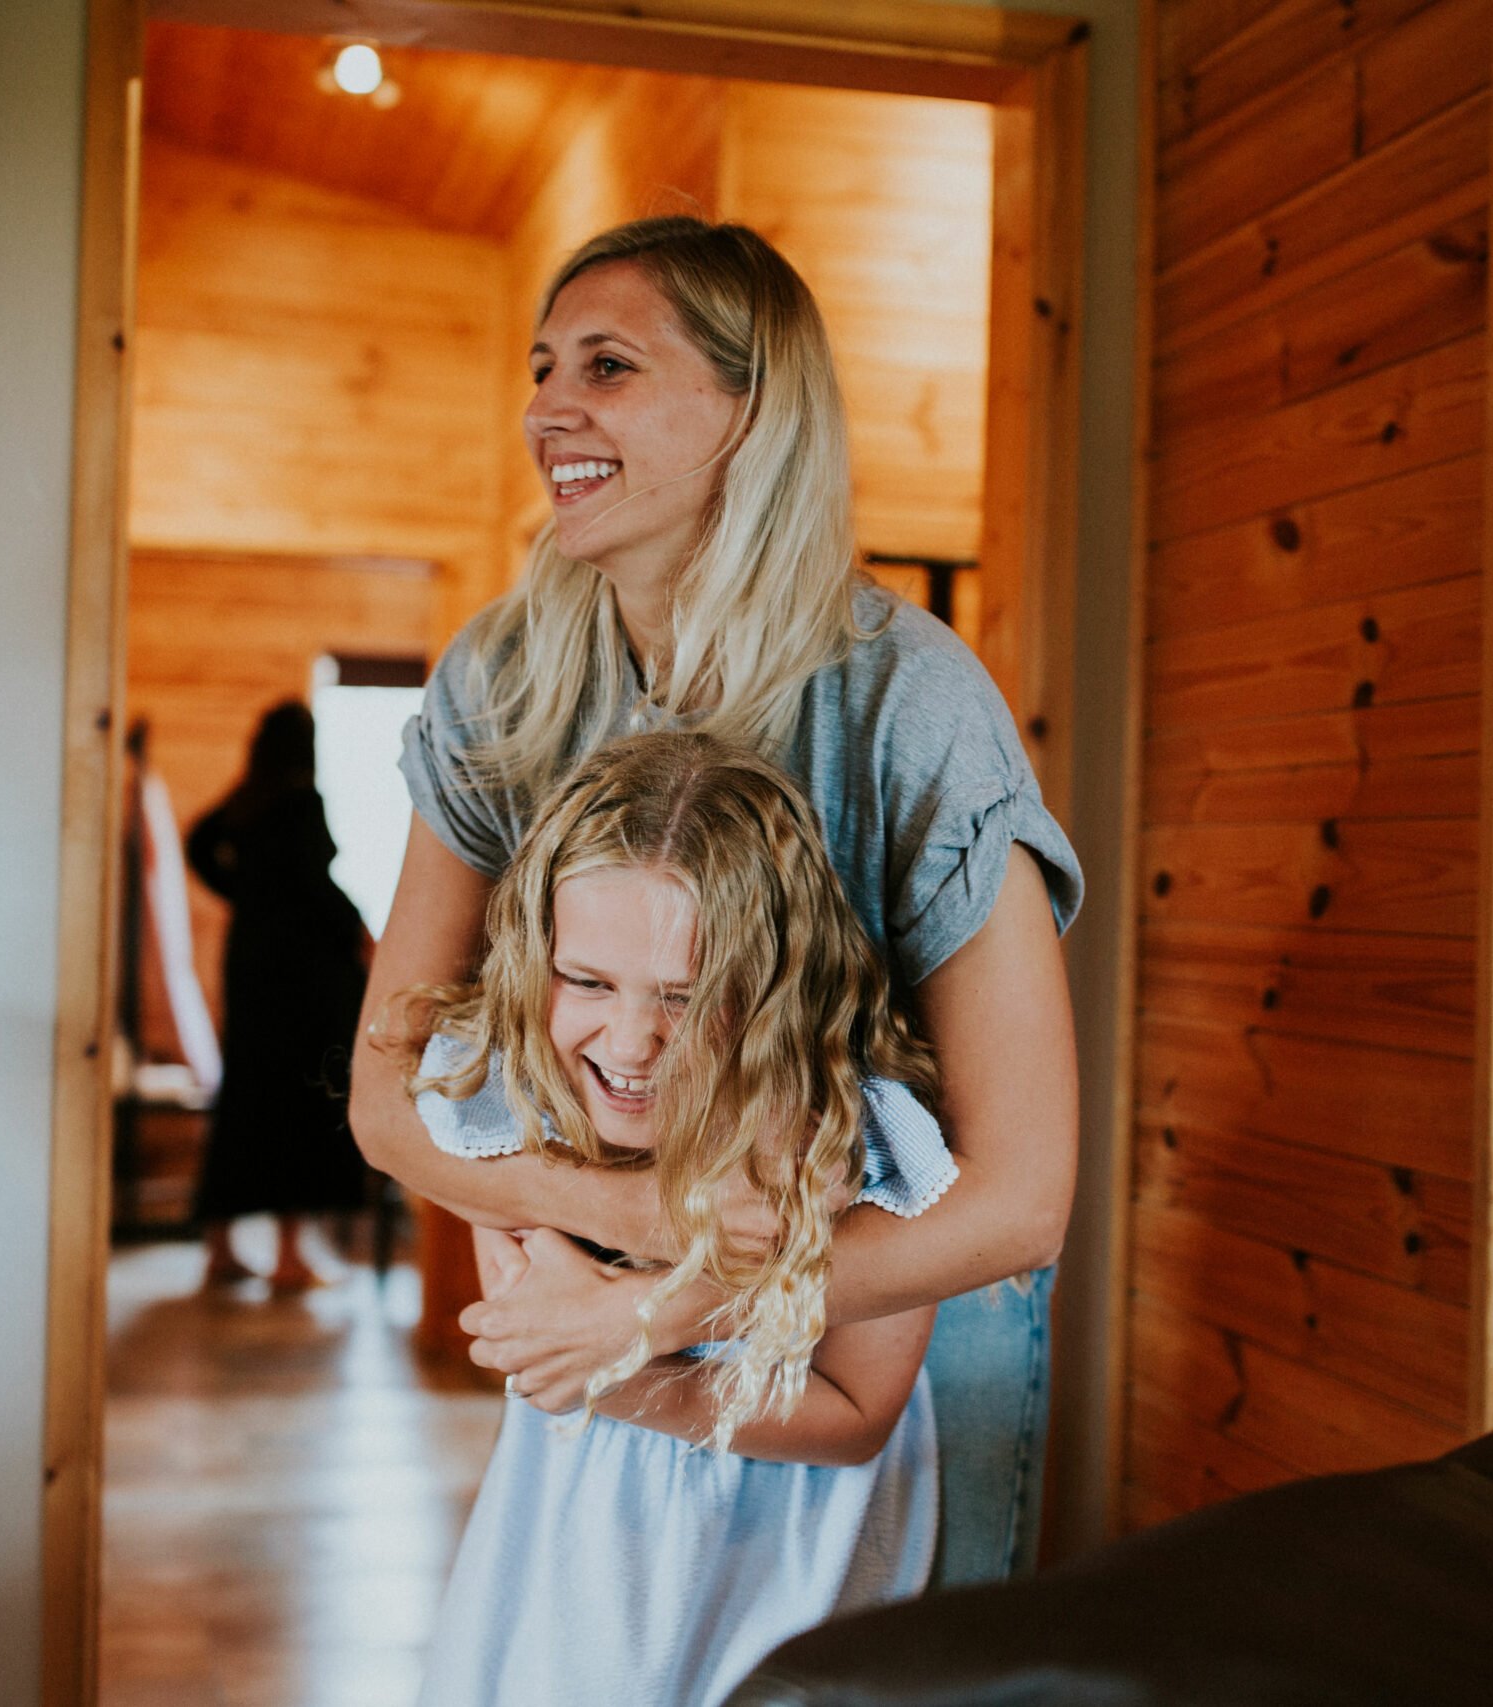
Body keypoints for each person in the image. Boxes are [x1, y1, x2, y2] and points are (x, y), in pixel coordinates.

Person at [351, 216, 1082, 1584]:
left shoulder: (912, 704)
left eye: (608, 366)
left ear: (753, 410)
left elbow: (1021, 1197)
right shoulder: (500, 682)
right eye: (542, 366)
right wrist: (605, 1259)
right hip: (611, 1346)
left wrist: (660, 1293)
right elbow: (384, 1088)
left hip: (891, 1340)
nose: (546, 409)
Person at [403, 733, 957, 1707]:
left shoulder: (858, 1138)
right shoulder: (520, 1096)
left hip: (782, 1549)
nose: (628, 1041)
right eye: (586, 981)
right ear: (539, 955)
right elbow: (527, 1324)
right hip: (578, 1545)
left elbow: (859, 1415)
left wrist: (615, 1375)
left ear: (775, 984)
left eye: (686, 997)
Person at [189, 699, 371, 1289]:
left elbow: (198, 843)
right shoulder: (299, 801)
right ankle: (289, 1258)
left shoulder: (248, 801)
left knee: (244, 1100)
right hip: (299, 979)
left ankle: (219, 1249)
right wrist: (360, 931)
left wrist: (244, 895)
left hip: (249, 969)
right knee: (297, 1107)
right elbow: (317, 885)